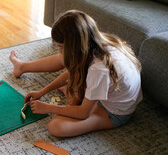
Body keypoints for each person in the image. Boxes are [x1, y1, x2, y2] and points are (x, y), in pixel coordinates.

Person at [9, 10, 142, 137]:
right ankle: (24, 68)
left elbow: (84, 113)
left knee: (56, 126)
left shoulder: (98, 70)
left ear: (76, 46)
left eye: (61, 47)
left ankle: (75, 95)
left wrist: (48, 107)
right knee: (69, 73)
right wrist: (42, 92)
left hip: (115, 113)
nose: (59, 51)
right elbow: (70, 74)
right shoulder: (93, 42)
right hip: (105, 90)